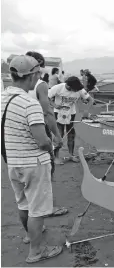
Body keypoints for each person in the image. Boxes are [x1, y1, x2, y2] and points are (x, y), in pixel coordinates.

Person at [1, 55, 63, 263]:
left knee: (23, 203)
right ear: (34, 75)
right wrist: (52, 145)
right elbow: (42, 141)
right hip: (33, 163)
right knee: (38, 208)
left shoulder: (2, 98)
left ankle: (29, 235)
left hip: (13, 161)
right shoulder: (29, 103)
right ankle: (36, 252)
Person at [25, 51, 68, 218]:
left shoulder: (15, 88)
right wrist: (57, 136)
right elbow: (48, 113)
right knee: (47, 169)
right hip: (40, 131)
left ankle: (32, 206)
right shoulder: (40, 85)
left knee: (29, 174)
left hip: (23, 135)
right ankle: (46, 207)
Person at [48, 77, 93, 163]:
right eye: (74, 89)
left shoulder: (79, 89)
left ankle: (71, 155)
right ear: (69, 86)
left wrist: (86, 111)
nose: (75, 91)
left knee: (71, 135)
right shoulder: (58, 88)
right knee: (59, 135)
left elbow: (90, 100)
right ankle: (56, 157)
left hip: (71, 114)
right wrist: (54, 105)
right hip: (58, 114)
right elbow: (47, 97)